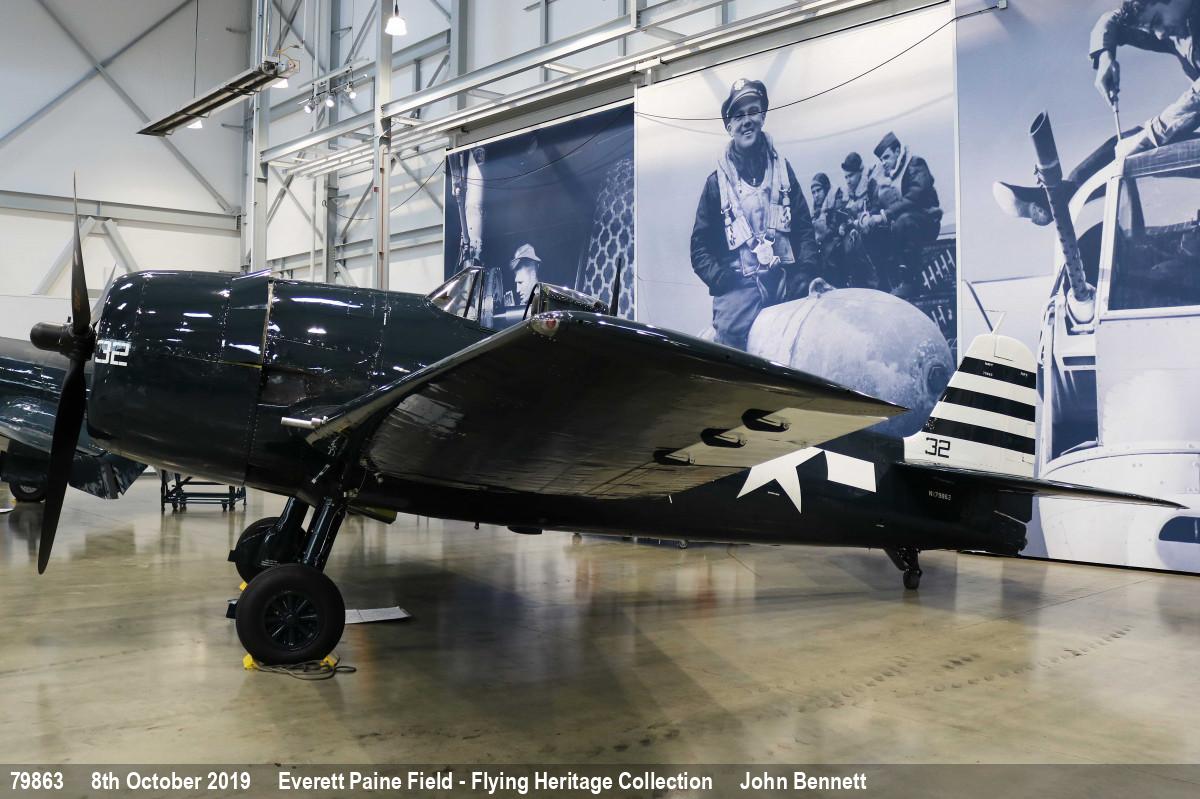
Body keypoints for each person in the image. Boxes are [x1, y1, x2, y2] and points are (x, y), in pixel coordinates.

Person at [995, 0, 1200, 225]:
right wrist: (1105, 56)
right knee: (1124, 146)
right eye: (1152, 28)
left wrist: (1149, 137)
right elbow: (1111, 21)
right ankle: (1058, 196)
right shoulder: (1179, 26)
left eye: (1157, 20)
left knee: (1141, 146)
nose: (1159, 35)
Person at [690, 78, 821, 350]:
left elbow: (804, 228)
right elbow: (699, 248)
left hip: (787, 277)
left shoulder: (783, 170)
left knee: (822, 320)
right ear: (729, 127)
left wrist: (805, 271)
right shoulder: (715, 184)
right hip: (741, 285)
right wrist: (722, 279)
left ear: (762, 117)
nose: (747, 121)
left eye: (753, 112)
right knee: (728, 342)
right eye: (739, 116)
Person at [859, 132, 943, 297]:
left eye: (887, 157)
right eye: (882, 159)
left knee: (904, 221)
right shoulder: (886, 177)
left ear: (897, 151)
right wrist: (869, 218)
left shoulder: (915, 164)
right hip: (901, 225)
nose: (884, 162)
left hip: (926, 221)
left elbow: (915, 197)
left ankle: (910, 280)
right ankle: (884, 281)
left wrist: (885, 215)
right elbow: (878, 203)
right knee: (872, 232)